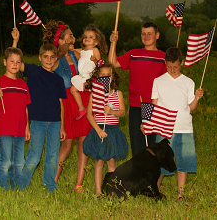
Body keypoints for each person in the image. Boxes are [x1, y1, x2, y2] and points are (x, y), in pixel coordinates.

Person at [12, 29, 67, 193]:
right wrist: (15, 41)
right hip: (38, 122)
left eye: (52, 57)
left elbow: (61, 104)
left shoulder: (58, 79)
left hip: (55, 123)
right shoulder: (33, 71)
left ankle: (50, 186)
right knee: (34, 157)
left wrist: (62, 126)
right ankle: (20, 185)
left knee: (52, 157)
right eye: (45, 56)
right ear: (39, 57)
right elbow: (14, 63)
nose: (48, 60)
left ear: (56, 58)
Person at [42, 21, 92, 194]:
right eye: (69, 34)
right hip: (65, 102)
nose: (73, 37)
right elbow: (59, 51)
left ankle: (79, 185)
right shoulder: (55, 57)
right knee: (66, 145)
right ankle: (51, 183)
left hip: (81, 99)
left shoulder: (76, 54)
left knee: (83, 144)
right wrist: (62, 43)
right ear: (60, 39)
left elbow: (92, 55)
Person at [149, 47, 204, 200]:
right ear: (165, 63)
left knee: (184, 160)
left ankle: (180, 194)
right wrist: (148, 123)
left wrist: (197, 98)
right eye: (169, 66)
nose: (172, 69)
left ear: (182, 63)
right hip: (164, 127)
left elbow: (191, 108)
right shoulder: (158, 81)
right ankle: (155, 190)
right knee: (160, 161)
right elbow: (154, 106)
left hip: (184, 127)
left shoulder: (188, 82)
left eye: (176, 66)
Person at [108, 22, 167, 155]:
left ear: (157, 35)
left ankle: (153, 174)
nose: (146, 36)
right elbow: (112, 63)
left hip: (156, 106)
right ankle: (139, 174)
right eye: (143, 34)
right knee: (137, 146)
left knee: (154, 146)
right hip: (136, 106)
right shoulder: (133, 54)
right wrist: (113, 43)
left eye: (150, 33)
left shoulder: (163, 57)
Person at [82, 60, 128, 195]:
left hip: (112, 131)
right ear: (98, 77)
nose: (106, 77)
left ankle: (111, 189)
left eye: (108, 74)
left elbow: (123, 112)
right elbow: (89, 115)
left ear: (113, 76)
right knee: (99, 160)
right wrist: (98, 130)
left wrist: (112, 111)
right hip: (99, 130)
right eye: (102, 75)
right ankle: (98, 191)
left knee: (111, 161)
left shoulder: (117, 94)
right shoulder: (94, 94)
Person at [0, 47, 31, 190]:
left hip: (19, 130)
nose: (15, 64)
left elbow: (25, 107)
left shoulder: (23, 84)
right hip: (4, 129)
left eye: (18, 62)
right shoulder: (0, 82)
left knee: (19, 163)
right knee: (5, 162)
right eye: (12, 61)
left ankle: (18, 188)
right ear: (5, 62)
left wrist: (27, 128)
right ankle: (1, 188)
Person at [70, 25, 108, 121]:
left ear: (96, 42)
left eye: (91, 37)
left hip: (90, 77)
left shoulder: (95, 50)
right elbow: (72, 50)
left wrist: (95, 60)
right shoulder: (82, 51)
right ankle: (82, 108)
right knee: (73, 90)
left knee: (77, 90)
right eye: (85, 37)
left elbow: (100, 65)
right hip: (82, 76)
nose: (87, 38)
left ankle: (85, 109)